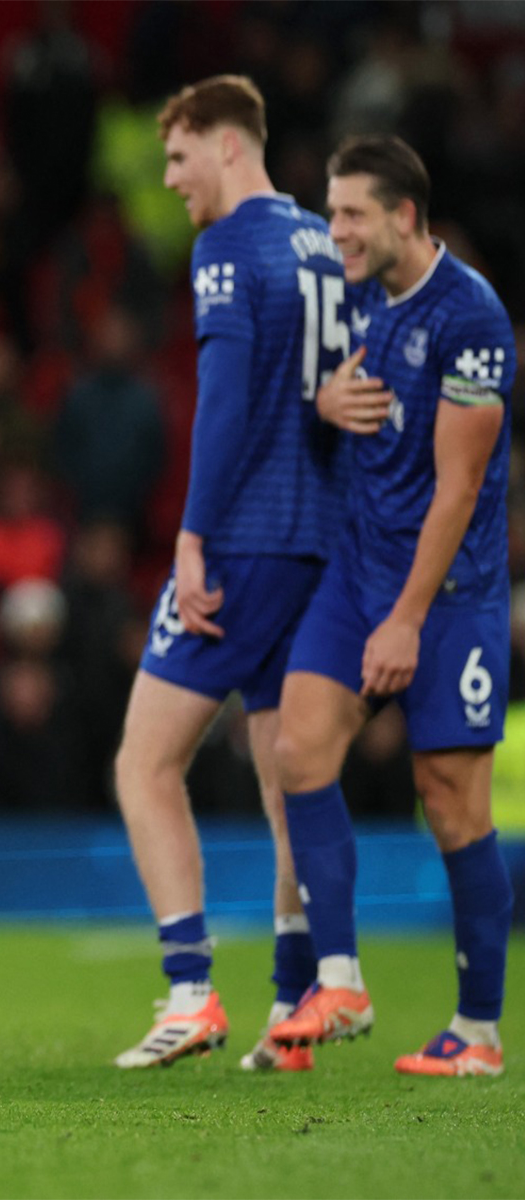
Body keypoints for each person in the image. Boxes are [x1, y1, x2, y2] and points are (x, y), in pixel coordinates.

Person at [112, 76, 346, 1071]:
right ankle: (292, 1007)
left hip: (246, 540)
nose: (170, 179)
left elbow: (224, 401)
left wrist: (193, 534)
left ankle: (189, 990)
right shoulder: (322, 241)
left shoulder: (229, 246)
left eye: (178, 156)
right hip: (320, 545)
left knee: (144, 763)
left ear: (226, 144)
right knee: (287, 777)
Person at [269, 135, 514, 1077]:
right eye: (330, 212)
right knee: (299, 749)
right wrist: (325, 404)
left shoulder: (472, 317)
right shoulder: (361, 294)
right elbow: (333, 398)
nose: (335, 231)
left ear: (404, 216)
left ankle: (478, 1033)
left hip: (447, 595)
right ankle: (341, 981)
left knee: (451, 803)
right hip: (358, 573)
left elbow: (460, 488)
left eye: (350, 214)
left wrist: (407, 619)